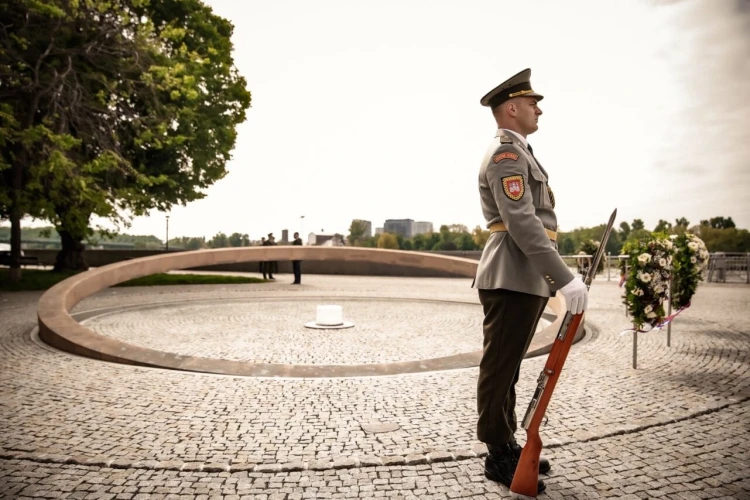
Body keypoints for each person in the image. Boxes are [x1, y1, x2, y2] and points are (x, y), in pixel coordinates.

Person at [472, 68, 589, 493]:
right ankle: (496, 454)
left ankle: (506, 444)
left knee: (509, 370)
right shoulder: (507, 154)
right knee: (499, 369)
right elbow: (522, 221)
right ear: (512, 108)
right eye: (532, 102)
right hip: (511, 273)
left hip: (522, 275)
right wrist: (563, 276)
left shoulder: (522, 152)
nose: (539, 109)